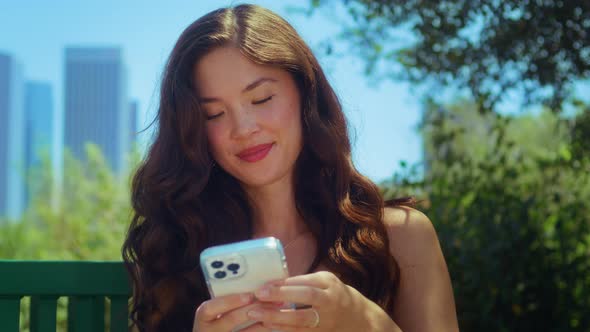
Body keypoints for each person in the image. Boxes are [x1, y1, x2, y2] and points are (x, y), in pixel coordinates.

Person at [122, 3, 459, 332]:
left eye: (262, 98)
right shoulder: (174, 248)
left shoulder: (401, 235)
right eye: (213, 114)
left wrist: (363, 321)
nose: (244, 128)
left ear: (306, 96)